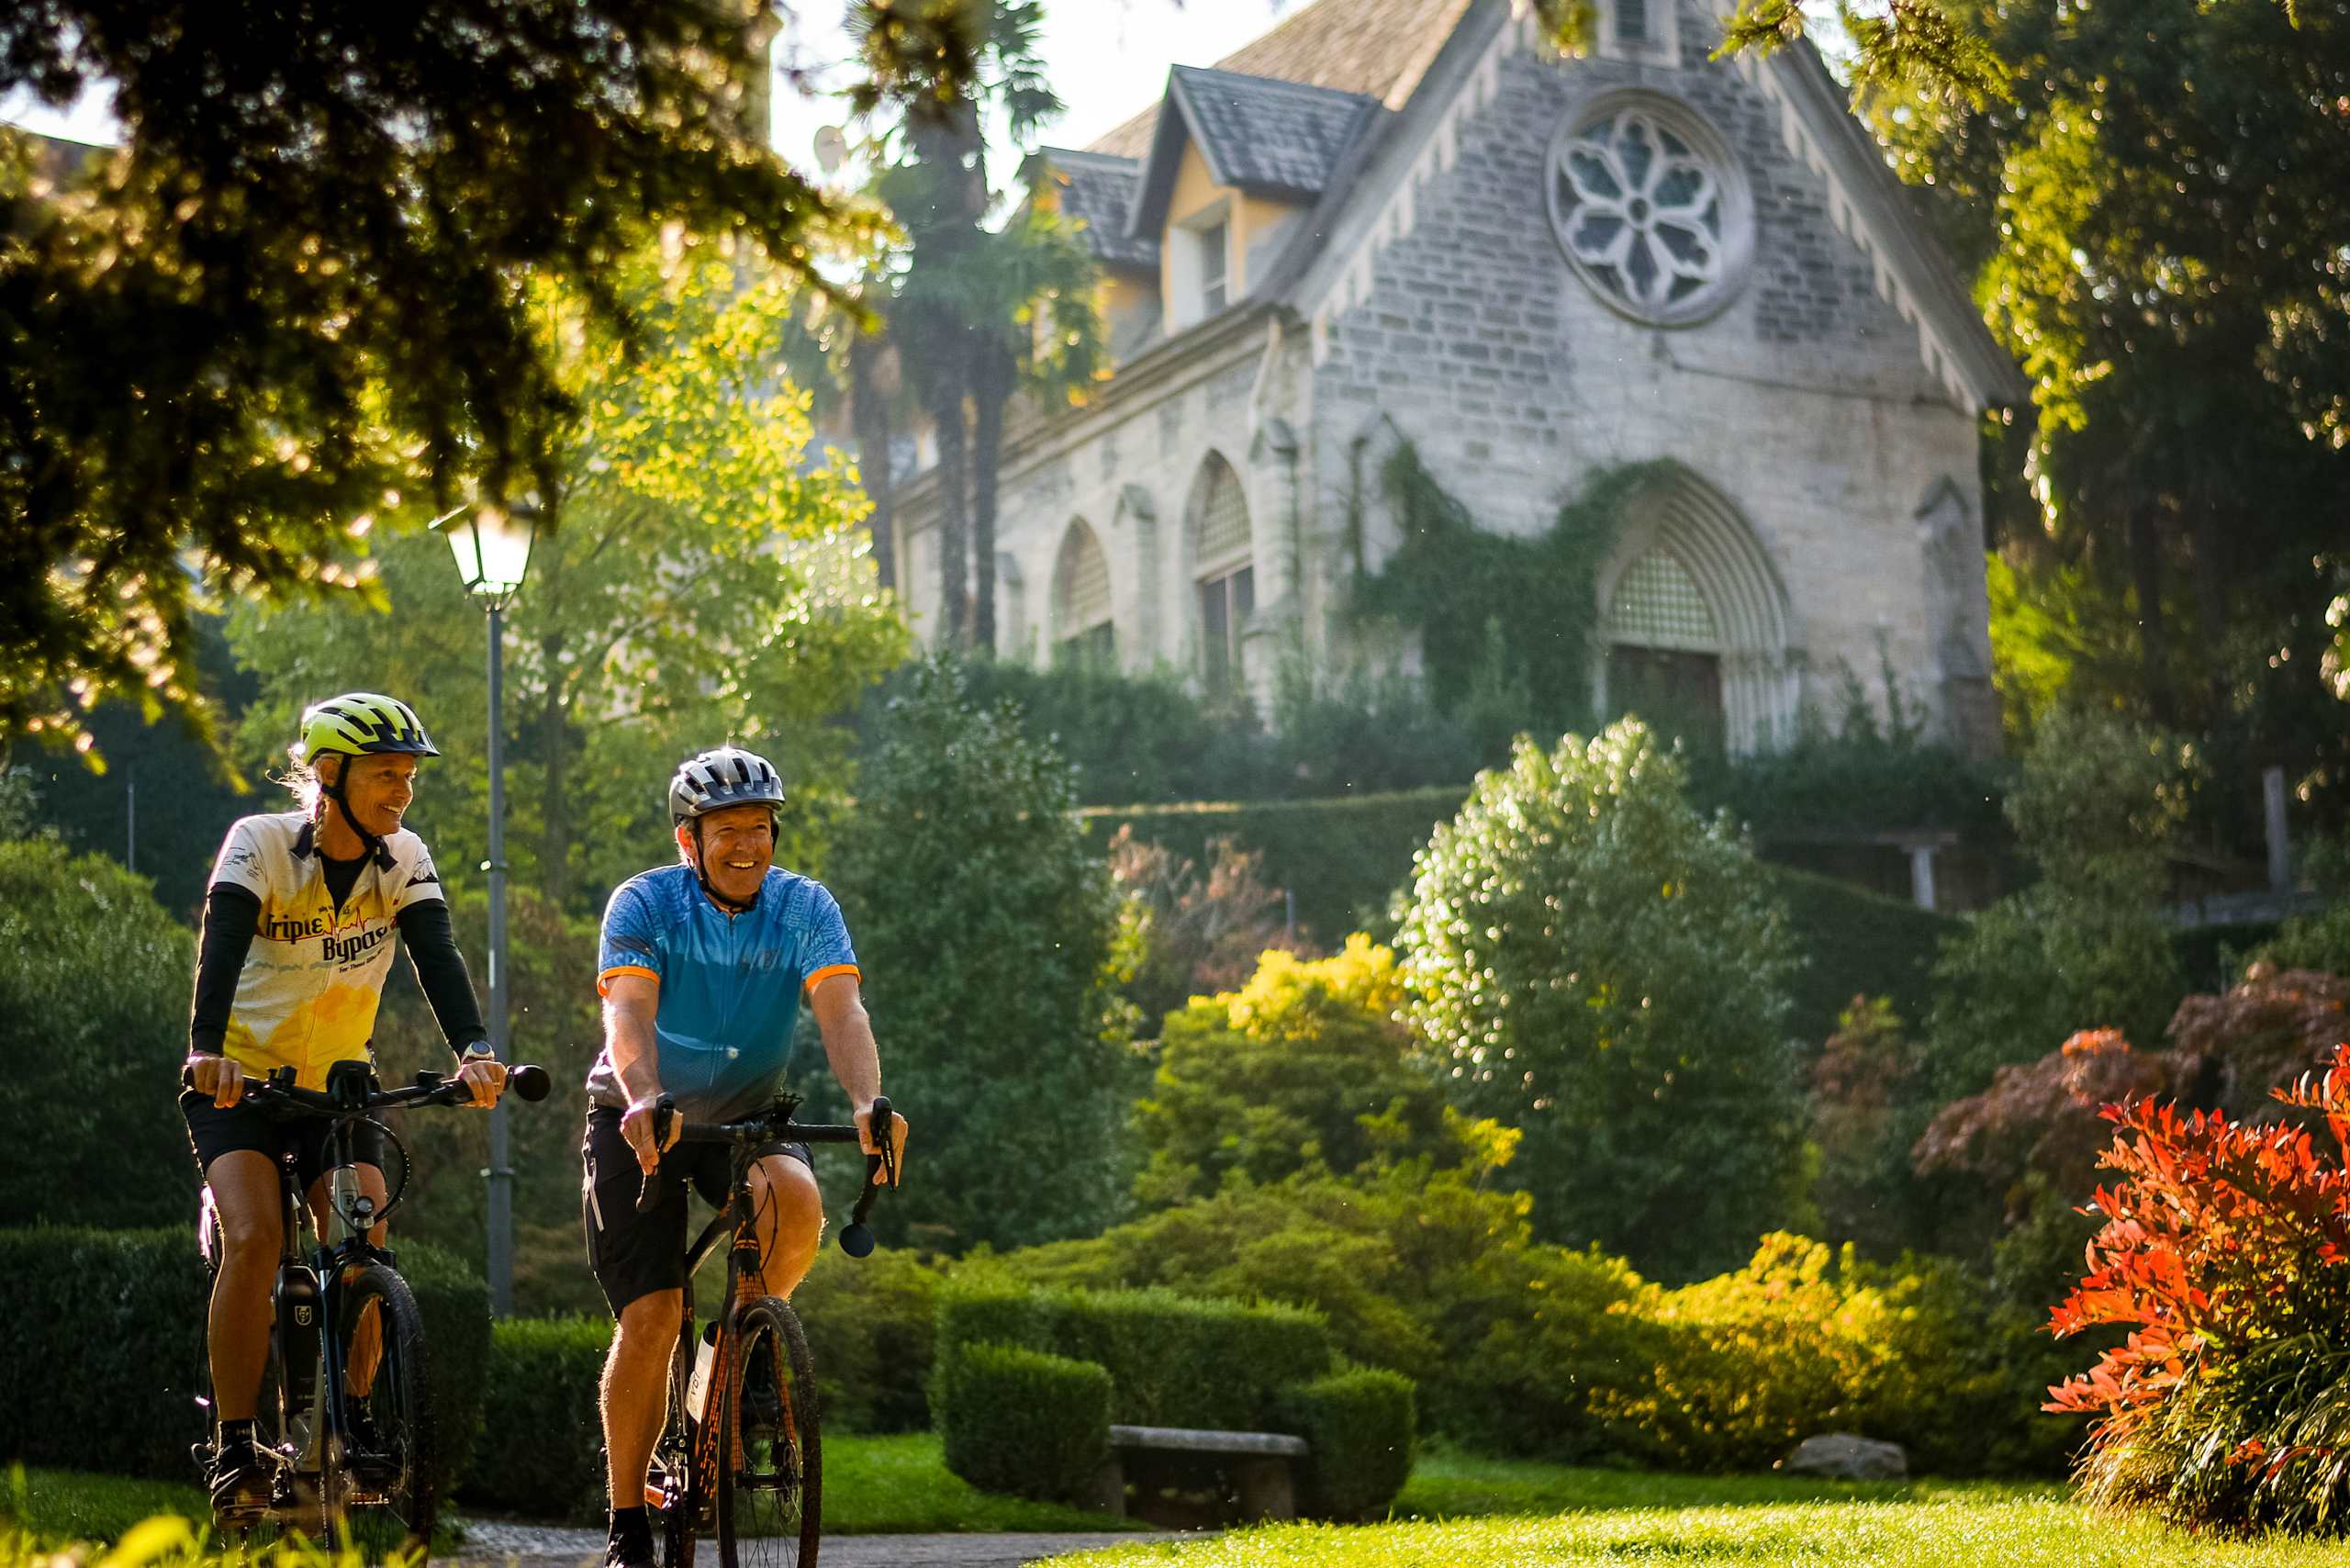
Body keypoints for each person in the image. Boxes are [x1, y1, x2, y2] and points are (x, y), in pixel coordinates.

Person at [581, 745, 907, 1568]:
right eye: (727, 830)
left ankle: (741, 1355)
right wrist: (647, 1096)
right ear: (689, 840)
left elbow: (842, 1012)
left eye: (760, 828)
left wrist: (869, 1102)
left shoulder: (804, 906)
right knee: (652, 1315)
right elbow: (627, 1016)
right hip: (641, 1114)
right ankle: (627, 1519)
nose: (747, 845)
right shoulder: (646, 903)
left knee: (795, 1202)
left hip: (751, 1115)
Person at [182, 693, 509, 1511]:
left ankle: (357, 1420)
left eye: (408, 778)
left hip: (340, 1087)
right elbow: (219, 950)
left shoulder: (403, 857)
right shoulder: (259, 845)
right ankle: (235, 1445)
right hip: (244, 1087)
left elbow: (439, 956)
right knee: (255, 1241)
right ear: (330, 775)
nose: (401, 793)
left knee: (364, 1240)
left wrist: (473, 1051)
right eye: (385, 776)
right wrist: (207, 1051)